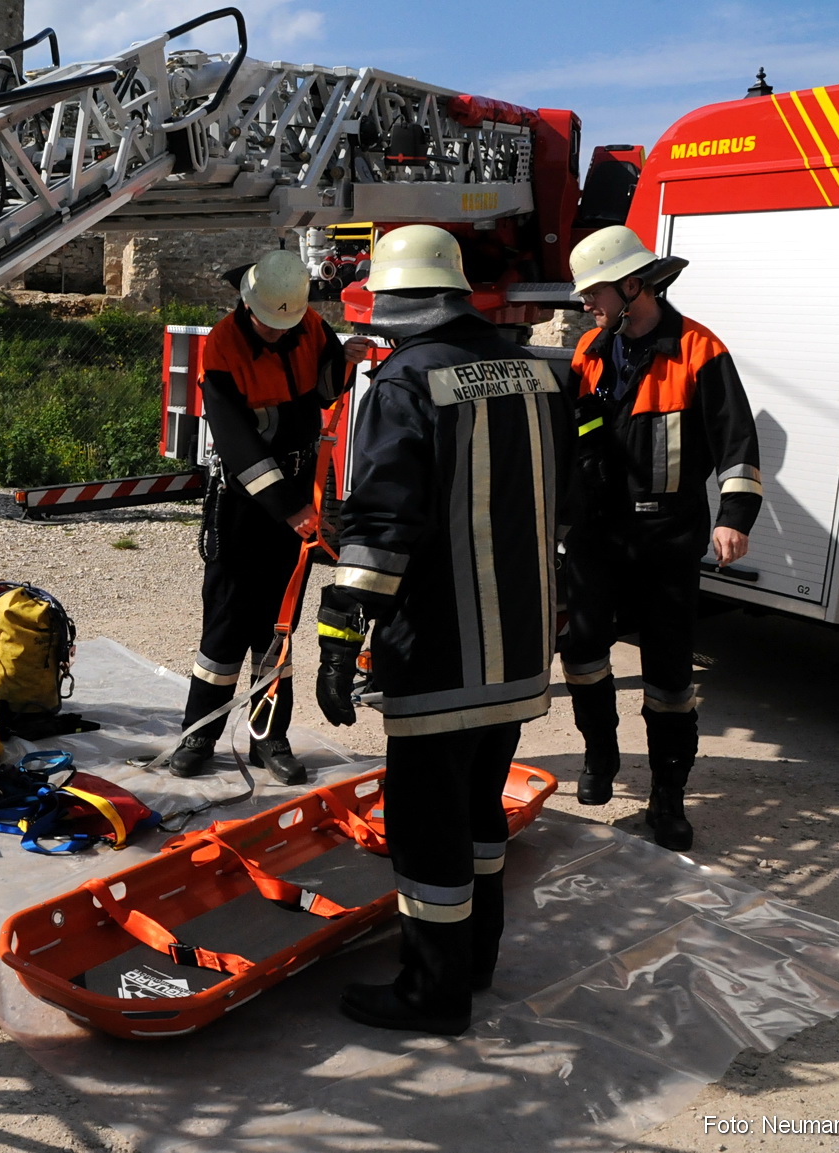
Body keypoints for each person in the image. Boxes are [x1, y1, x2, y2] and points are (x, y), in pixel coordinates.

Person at [315, 225, 572, 1035]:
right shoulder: (537, 372)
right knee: (478, 812)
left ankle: (434, 991)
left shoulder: (404, 381)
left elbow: (384, 518)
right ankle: (477, 958)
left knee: (427, 826)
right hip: (520, 650)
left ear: (397, 305)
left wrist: (337, 627)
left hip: (440, 648)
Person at [558, 226, 761, 851]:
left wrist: (734, 517)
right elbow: (569, 435)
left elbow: (738, 446)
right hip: (598, 535)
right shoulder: (591, 350)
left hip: (667, 537)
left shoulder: (700, 350)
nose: (586, 305)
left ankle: (668, 797)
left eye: (594, 292)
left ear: (632, 285)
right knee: (584, 652)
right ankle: (600, 757)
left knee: (669, 675)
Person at [166, 249, 366, 785]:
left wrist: (344, 361)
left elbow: (320, 394)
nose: (279, 333)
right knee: (227, 620)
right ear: (248, 305)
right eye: (269, 324)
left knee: (278, 627)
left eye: (287, 324)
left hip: (298, 490)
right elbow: (238, 441)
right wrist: (289, 508)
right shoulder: (222, 345)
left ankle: (268, 738)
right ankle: (200, 733)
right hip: (245, 500)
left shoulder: (308, 325)